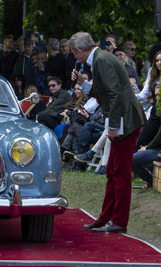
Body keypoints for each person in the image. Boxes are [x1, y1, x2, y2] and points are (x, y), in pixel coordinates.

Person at [70, 32, 146, 233]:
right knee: (113, 171)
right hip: (124, 119)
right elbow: (104, 91)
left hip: (125, 121)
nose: (75, 58)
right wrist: (82, 83)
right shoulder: (101, 58)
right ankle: (107, 218)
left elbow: (115, 94)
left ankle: (118, 220)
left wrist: (112, 126)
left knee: (119, 172)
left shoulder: (101, 60)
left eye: (74, 53)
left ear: (78, 50)